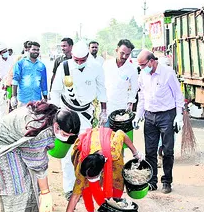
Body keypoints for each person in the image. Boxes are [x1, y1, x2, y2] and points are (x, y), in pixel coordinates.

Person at [0, 102, 80, 212]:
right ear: (56, 125)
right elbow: (38, 165)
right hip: (2, 142)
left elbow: (38, 159)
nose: (66, 138)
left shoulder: (54, 117)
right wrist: (46, 193)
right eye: (64, 134)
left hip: (19, 140)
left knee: (29, 179)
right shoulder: (39, 130)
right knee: (15, 185)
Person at [53, 127, 143, 212]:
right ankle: (90, 211)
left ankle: (112, 208)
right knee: (85, 188)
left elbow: (121, 133)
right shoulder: (83, 164)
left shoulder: (114, 151)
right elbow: (75, 196)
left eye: (93, 177)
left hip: (109, 153)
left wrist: (135, 152)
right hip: (91, 149)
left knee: (116, 183)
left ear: (101, 171)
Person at [50, 42, 107, 197]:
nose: (79, 63)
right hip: (67, 112)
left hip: (85, 113)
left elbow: (102, 89)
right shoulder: (65, 67)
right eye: (77, 60)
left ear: (88, 56)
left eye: (83, 60)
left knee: (85, 149)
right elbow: (55, 91)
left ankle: (84, 183)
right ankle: (69, 188)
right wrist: (55, 115)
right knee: (67, 152)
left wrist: (103, 110)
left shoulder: (96, 67)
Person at [133, 50, 184, 194]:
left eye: (143, 65)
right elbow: (142, 96)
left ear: (151, 61)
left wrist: (178, 115)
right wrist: (138, 115)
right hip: (150, 116)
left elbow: (178, 95)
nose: (142, 68)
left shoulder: (167, 73)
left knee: (167, 151)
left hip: (166, 116)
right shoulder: (143, 75)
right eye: (140, 66)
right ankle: (152, 181)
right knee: (150, 151)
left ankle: (167, 181)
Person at [103, 39, 139, 115]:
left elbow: (134, 88)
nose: (124, 56)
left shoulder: (132, 68)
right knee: (106, 127)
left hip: (122, 106)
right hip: (107, 105)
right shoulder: (106, 65)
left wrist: (130, 103)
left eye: (127, 54)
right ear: (116, 50)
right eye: (122, 53)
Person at [12, 41, 48, 108]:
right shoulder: (20, 63)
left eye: (37, 50)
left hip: (37, 101)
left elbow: (43, 83)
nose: (36, 52)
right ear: (28, 50)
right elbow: (15, 80)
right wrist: (14, 96)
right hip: (23, 100)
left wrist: (45, 98)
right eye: (34, 49)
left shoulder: (41, 66)